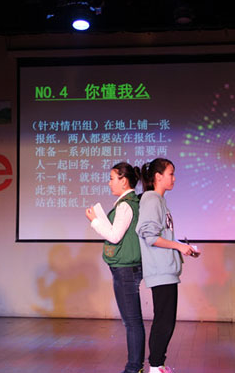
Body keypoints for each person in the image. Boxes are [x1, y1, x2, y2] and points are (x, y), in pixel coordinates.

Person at [136, 158, 199, 373]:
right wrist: (178, 246)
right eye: (170, 174)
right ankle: (155, 366)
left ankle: (158, 364)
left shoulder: (159, 201)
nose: (174, 178)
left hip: (166, 269)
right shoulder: (151, 199)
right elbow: (150, 236)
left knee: (165, 320)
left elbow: (161, 235)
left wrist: (182, 247)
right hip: (160, 269)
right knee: (164, 320)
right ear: (158, 176)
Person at [85, 162, 145, 373]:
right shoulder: (131, 202)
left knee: (132, 322)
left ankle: (134, 368)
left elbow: (114, 236)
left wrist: (94, 221)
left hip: (126, 269)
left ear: (123, 180)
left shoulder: (125, 205)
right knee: (133, 321)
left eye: (112, 178)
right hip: (128, 268)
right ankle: (135, 366)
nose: (109, 183)